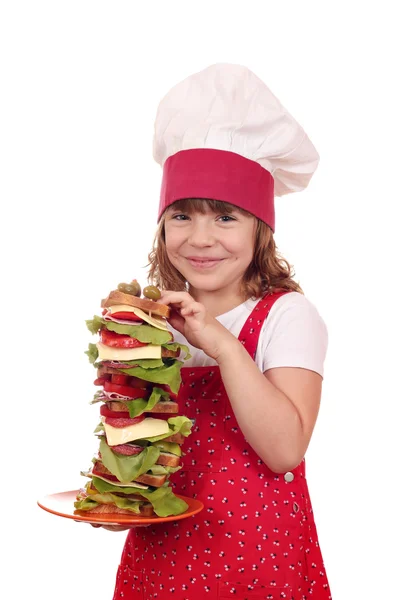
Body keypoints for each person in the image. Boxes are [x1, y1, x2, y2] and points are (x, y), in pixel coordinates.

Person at [111, 63, 332, 599]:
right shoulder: (153, 322)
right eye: (182, 216)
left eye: (226, 217)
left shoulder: (286, 316)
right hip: (160, 562)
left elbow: (284, 450)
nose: (200, 237)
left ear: (261, 228)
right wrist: (124, 497)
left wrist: (220, 344)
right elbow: (138, 440)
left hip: (259, 562)